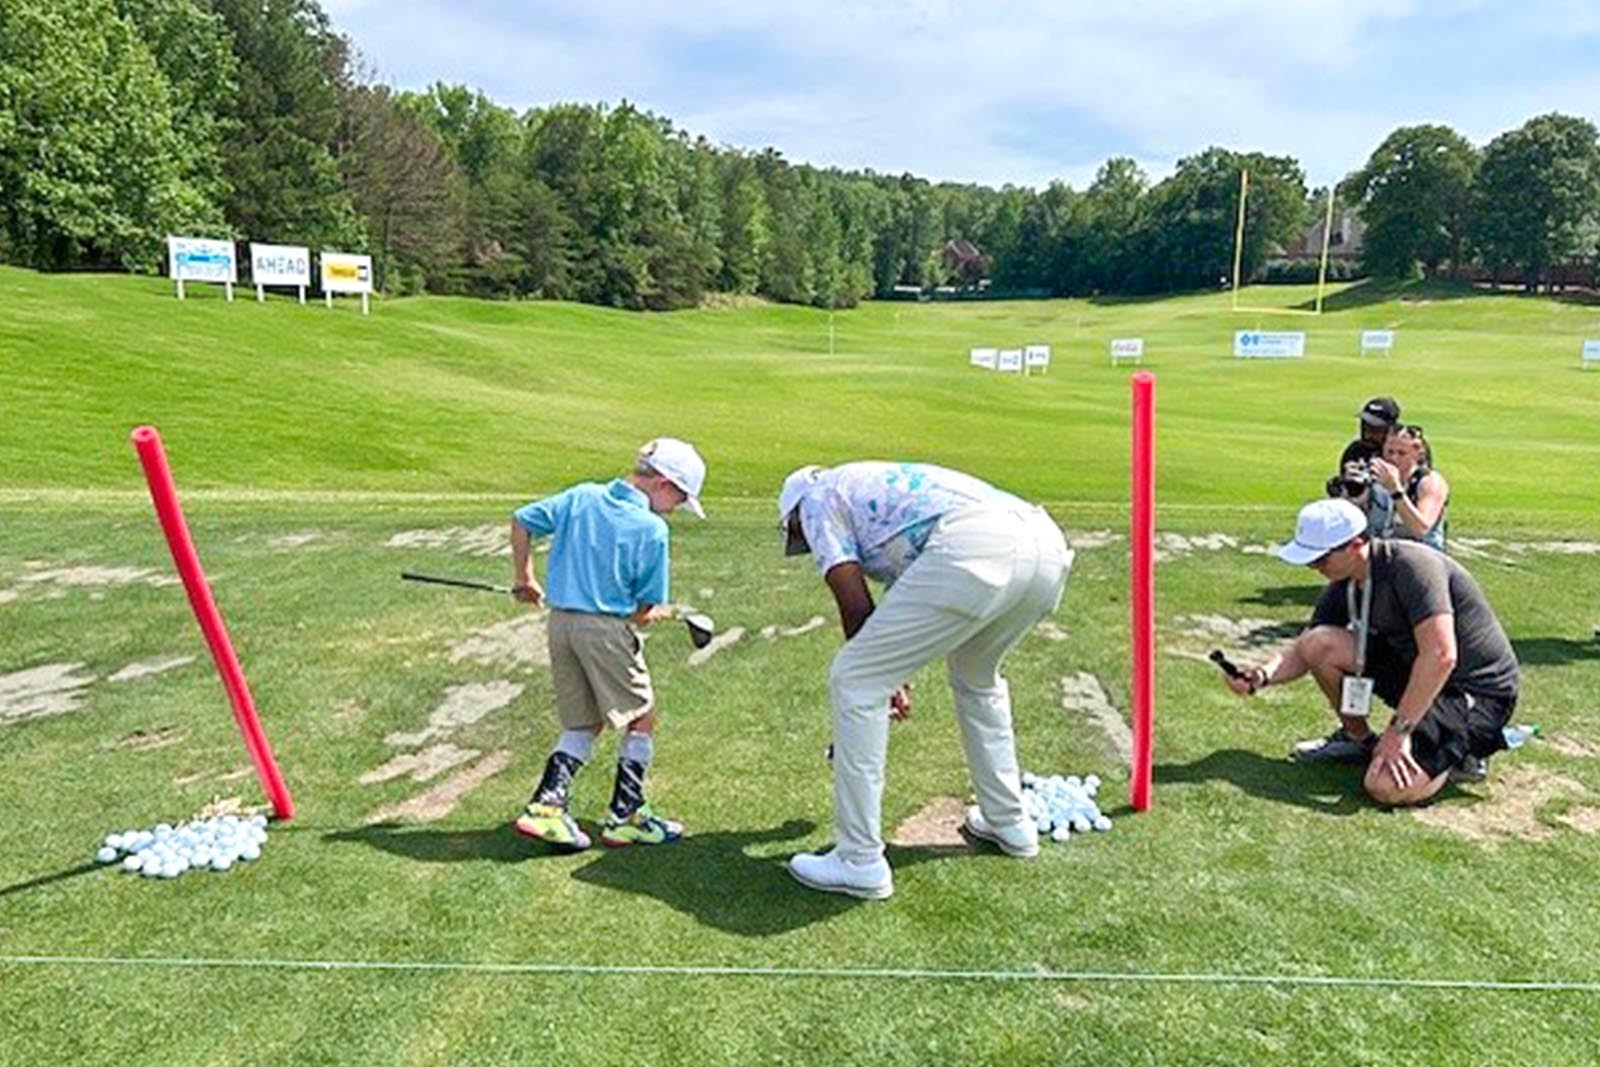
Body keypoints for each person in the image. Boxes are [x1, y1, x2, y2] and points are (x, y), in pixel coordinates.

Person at [777, 462, 1073, 899]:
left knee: (854, 679)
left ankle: (858, 860)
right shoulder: (872, 496)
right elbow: (905, 616)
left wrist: (879, 682)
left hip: (976, 544)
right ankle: (1008, 821)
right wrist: (890, 673)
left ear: (795, 513)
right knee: (977, 676)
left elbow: (854, 604)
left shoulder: (817, 500)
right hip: (1045, 545)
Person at [1225, 499, 1520, 806]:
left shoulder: (1413, 566)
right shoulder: (1348, 579)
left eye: (1320, 558)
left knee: (1384, 787)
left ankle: (1463, 751)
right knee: (1318, 643)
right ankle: (1359, 740)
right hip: (1418, 672)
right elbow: (1305, 648)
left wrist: (1398, 732)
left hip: (1475, 691)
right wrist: (1259, 676)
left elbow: (1441, 654)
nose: (1314, 568)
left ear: (1355, 545)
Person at [509, 437, 707, 851]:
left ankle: (547, 807)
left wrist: (524, 578)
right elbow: (642, 608)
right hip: (604, 632)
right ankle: (626, 815)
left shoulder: (582, 496)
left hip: (561, 625)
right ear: (664, 484)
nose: (675, 508)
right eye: (679, 498)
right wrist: (652, 614)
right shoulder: (652, 529)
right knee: (641, 716)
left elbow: (523, 519)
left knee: (583, 721)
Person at [1370, 424, 1449, 551]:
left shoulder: (1429, 482)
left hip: (1422, 555)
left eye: (1402, 453)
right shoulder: (1376, 477)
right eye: (1390, 452)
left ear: (1417, 454)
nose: (1393, 458)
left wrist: (1396, 491)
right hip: (1384, 551)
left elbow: (1421, 529)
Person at [1337, 396, 1402, 469]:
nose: (1368, 434)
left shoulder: (1401, 454)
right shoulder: (1355, 451)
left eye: (1376, 429)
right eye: (1366, 426)